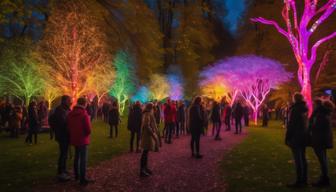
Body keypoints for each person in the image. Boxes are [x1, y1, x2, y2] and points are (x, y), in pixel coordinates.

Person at [67, 97, 93, 186]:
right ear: (84, 104)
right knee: (83, 159)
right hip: (83, 139)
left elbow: (68, 126)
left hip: (74, 138)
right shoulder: (84, 114)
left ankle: (77, 175)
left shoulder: (70, 113)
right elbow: (88, 129)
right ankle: (82, 179)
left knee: (76, 157)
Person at [309, 99, 334, 187]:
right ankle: (324, 178)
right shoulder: (326, 114)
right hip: (324, 139)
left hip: (320, 140)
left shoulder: (320, 115)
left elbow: (316, 127)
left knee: (322, 160)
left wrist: (311, 127)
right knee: (323, 159)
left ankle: (325, 179)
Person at [285, 93, 308, 188]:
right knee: (302, 157)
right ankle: (304, 179)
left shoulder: (295, 109)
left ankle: (299, 181)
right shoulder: (304, 108)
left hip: (296, 136)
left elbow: (291, 125)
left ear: (295, 99)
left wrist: (287, 137)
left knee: (298, 159)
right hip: (303, 135)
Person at [49, 95, 72, 181]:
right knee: (63, 154)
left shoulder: (64, 109)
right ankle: (61, 172)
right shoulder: (60, 110)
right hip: (62, 135)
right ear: (65, 101)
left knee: (65, 154)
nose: (71, 102)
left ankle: (63, 169)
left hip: (64, 135)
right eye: (69, 100)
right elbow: (63, 123)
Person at [140, 103, 159, 177]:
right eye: (153, 109)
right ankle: (142, 170)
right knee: (144, 153)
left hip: (147, 135)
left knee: (146, 152)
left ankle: (145, 168)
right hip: (147, 135)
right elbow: (146, 125)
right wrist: (153, 134)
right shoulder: (147, 114)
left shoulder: (147, 114)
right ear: (151, 108)